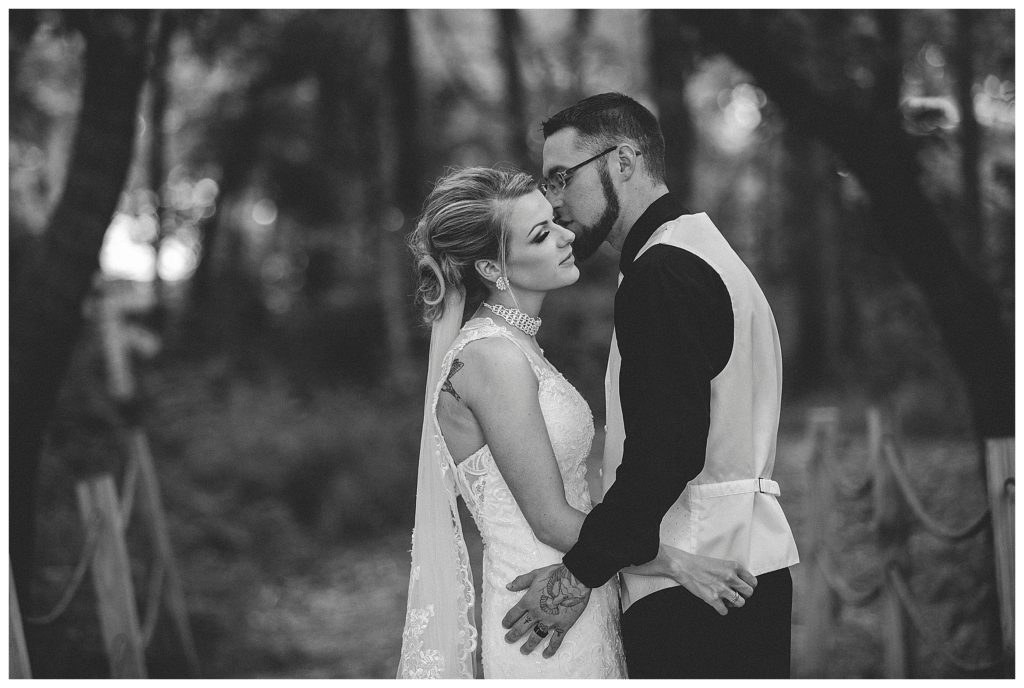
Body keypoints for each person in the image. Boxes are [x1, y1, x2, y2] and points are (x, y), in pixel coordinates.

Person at [396, 166, 758, 679]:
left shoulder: (518, 346)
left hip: (576, 592)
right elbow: (550, 519)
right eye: (542, 234)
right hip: (538, 613)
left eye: (554, 222)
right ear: (493, 269)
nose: (567, 235)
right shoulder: (491, 358)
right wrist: (682, 564)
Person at [501, 93, 800, 678]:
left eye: (562, 178)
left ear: (623, 160)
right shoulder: (704, 253)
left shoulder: (663, 273)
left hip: (700, 591)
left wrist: (577, 575)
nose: (554, 201)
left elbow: (665, 451)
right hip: (745, 569)